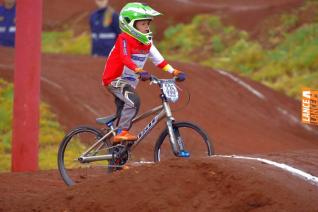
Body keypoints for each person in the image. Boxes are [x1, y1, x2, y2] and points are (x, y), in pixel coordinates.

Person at [102, 2, 186, 143]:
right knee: (134, 101)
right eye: (143, 24)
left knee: (125, 114)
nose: (147, 27)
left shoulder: (147, 42)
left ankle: (116, 159)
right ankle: (122, 132)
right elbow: (124, 57)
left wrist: (174, 71)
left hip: (129, 82)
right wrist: (138, 70)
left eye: (148, 24)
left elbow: (159, 61)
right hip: (114, 80)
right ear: (130, 24)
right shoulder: (123, 39)